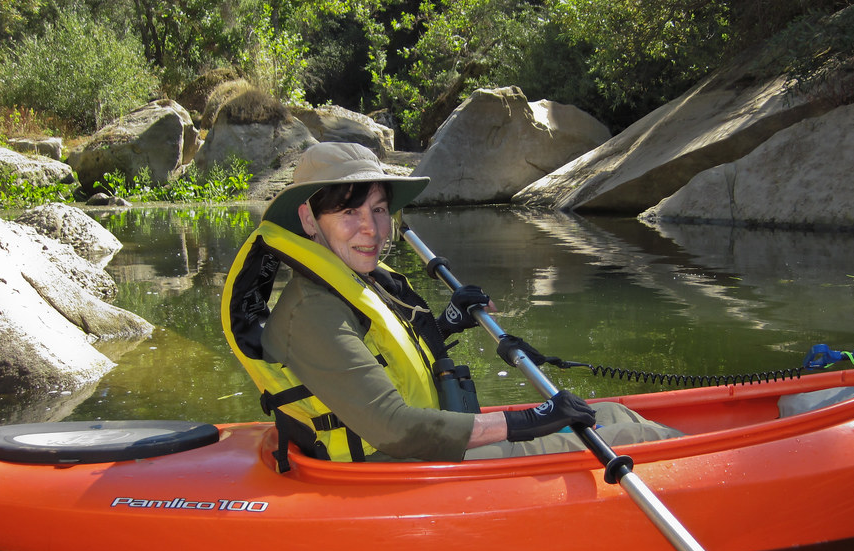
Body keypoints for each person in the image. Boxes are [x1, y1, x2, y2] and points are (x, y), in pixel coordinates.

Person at [224, 142, 679, 465]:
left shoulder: (348, 281)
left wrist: (447, 324)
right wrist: (529, 420)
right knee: (637, 438)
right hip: (396, 465)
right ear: (308, 218)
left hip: (429, 438)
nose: (372, 230)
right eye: (349, 212)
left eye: (379, 210)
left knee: (615, 415)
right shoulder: (312, 313)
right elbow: (394, 427)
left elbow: (383, 361)